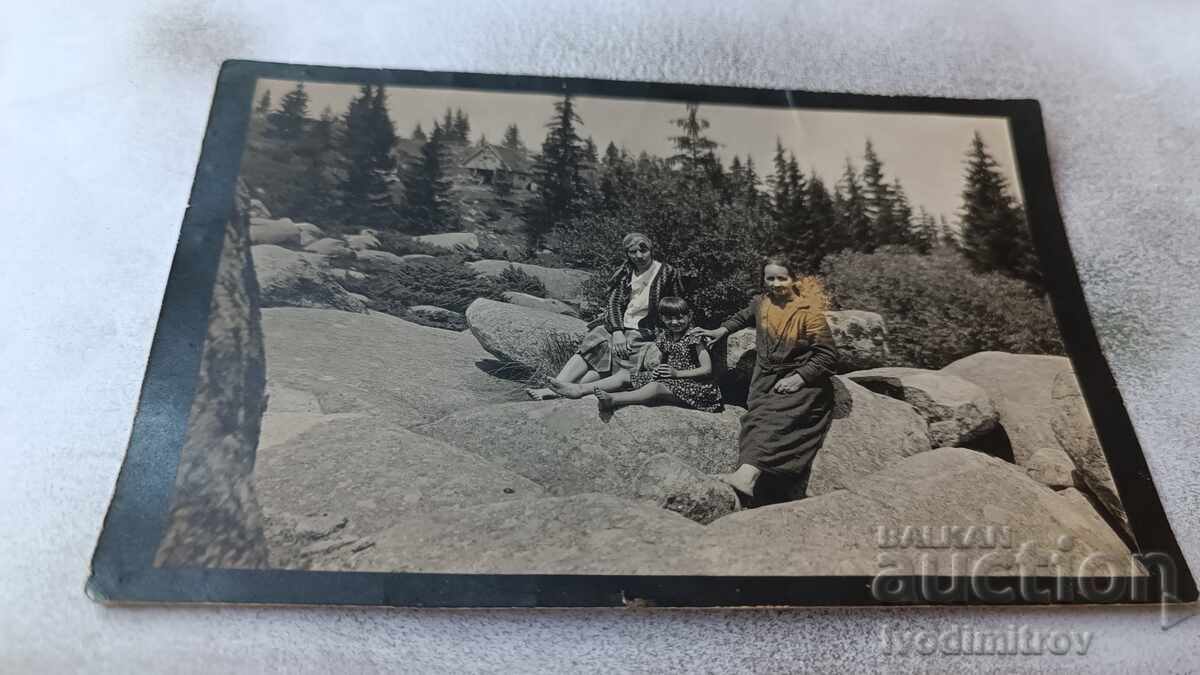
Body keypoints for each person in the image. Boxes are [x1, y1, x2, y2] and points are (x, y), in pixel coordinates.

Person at [690, 256, 839, 504]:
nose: (776, 284)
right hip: (765, 379)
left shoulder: (808, 313)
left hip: (802, 382)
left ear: (793, 280)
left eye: (782, 278)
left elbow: (828, 355)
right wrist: (720, 331)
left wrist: (799, 378)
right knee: (755, 418)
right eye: (770, 278)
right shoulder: (760, 303)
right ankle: (752, 483)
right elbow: (742, 317)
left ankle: (746, 477)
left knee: (774, 417)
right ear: (763, 281)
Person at [526, 232, 684, 400]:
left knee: (626, 348)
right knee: (597, 336)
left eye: (643, 250)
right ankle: (556, 386)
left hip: (646, 329)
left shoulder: (666, 272)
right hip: (621, 324)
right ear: (627, 254)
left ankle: (568, 390)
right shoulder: (626, 271)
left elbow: (676, 302)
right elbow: (614, 303)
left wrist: (671, 330)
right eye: (633, 252)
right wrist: (617, 332)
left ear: (651, 249)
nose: (639, 255)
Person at [552, 297, 723, 418]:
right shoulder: (665, 336)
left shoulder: (695, 337)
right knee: (624, 375)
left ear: (689, 316)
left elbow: (707, 370)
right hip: (672, 380)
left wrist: (676, 374)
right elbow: (662, 360)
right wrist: (658, 368)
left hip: (697, 388)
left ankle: (613, 400)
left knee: (655, 387)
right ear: (662, 318)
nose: (675, 322)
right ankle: (579, 389)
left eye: (680, 317)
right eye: (669, 318)